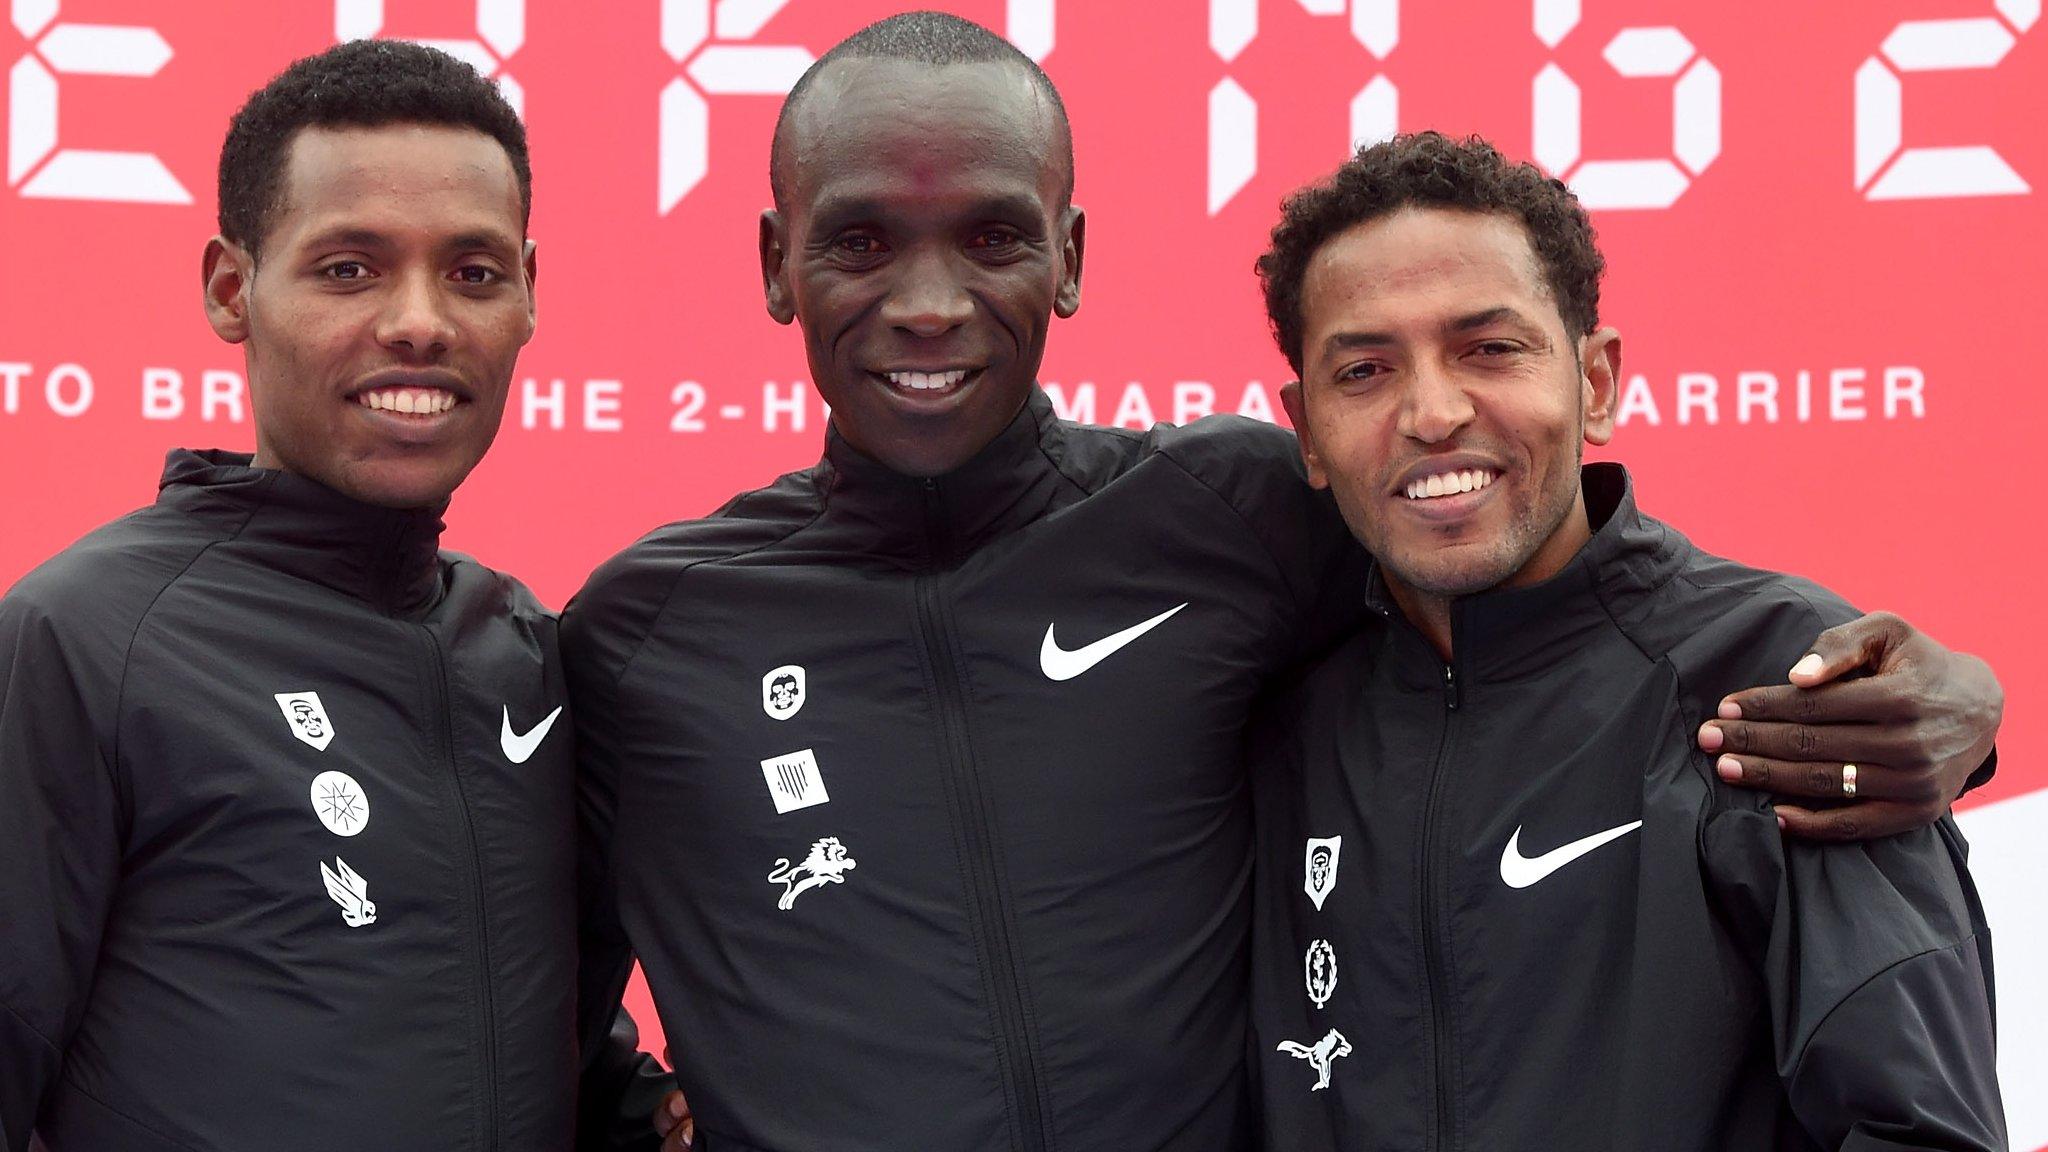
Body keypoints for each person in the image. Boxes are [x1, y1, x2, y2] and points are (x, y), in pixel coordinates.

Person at [564, 14, 2002, 1151]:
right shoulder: (640, 633)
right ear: (775, 264)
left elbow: (1540, 611)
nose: (930, 302)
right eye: (862, 240)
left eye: (995, 237)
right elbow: (484, 956)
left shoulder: (1232, 517)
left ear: (1068, 261)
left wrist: (1952, 702)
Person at [1250, 131, 2004, 1149]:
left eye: (1488, 348)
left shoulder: (1786, 680)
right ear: (1303, 429)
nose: (1430, 412)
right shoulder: (1269, 716)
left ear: (1595, 381)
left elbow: (1916, 1133)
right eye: (1364, 370)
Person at [0, 41, 662, 1151]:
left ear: (530, 296)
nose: (420, 321)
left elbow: (527, 1033)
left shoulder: (530, 655)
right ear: (231, 289)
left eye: (474, 272)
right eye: (349, 267)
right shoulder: (81, 638)